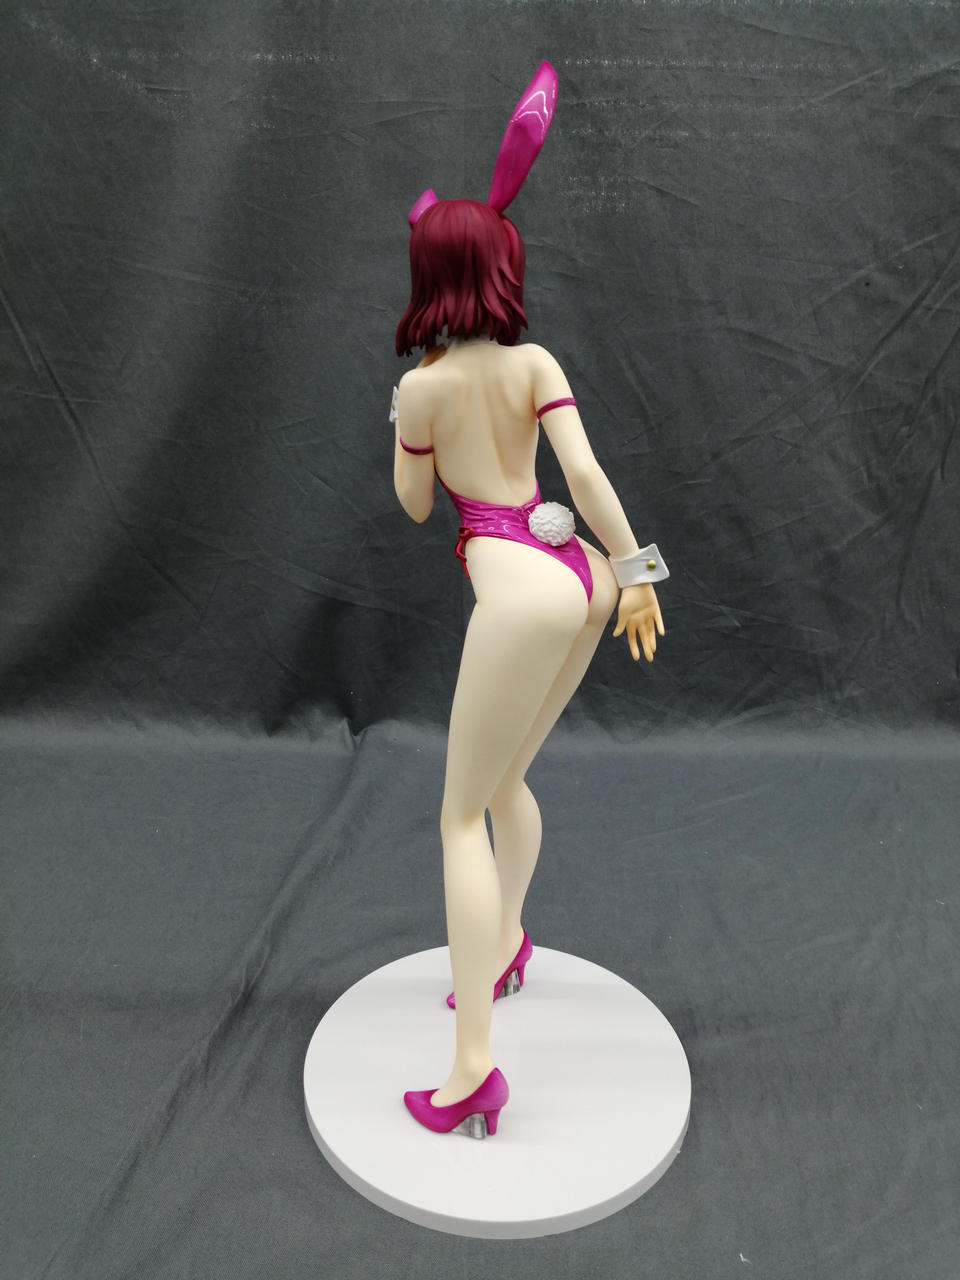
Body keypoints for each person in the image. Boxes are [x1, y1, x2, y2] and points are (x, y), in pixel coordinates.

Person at [393, 66, 668, 1139]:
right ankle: (505, 943)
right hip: (579, 574)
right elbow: (584, 478)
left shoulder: (423, 389)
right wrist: (632, 572)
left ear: (429, 277)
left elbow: (418, 505)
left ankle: (472, 1068)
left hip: (515, 592)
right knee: (506, 782)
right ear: (502, 266)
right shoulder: (535, 361)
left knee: (461, 813)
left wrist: (410, 424)